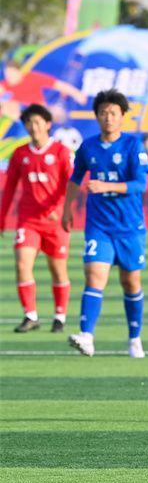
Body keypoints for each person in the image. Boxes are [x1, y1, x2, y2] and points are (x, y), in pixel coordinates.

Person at [63, 89, 148, 358]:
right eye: (103, 113)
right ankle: (86, 336)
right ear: (97, 116)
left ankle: (135, 338)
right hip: (98, 226)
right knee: (94, 276)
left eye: (113, 113)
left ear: (123, 116)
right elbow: (75, 178)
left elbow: (141, 184)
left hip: (129, 227)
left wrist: (106, 186)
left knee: (131, 283)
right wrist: (67, 209)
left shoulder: (134, 145)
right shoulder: (88, 147)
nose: (108, 117)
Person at [0, 104, 73, 332]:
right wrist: (2, 219)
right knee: (22, 263)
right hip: (28, 220)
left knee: (57, 269)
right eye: (29, 123)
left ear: (48, 125)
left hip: (55, 222)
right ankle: (30, 316)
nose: (34, 127)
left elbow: (71, 184)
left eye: (38, 122)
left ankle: (59, 316)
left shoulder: (61, 152)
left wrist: (62, 209)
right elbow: (9, 188)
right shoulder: (20, 154)